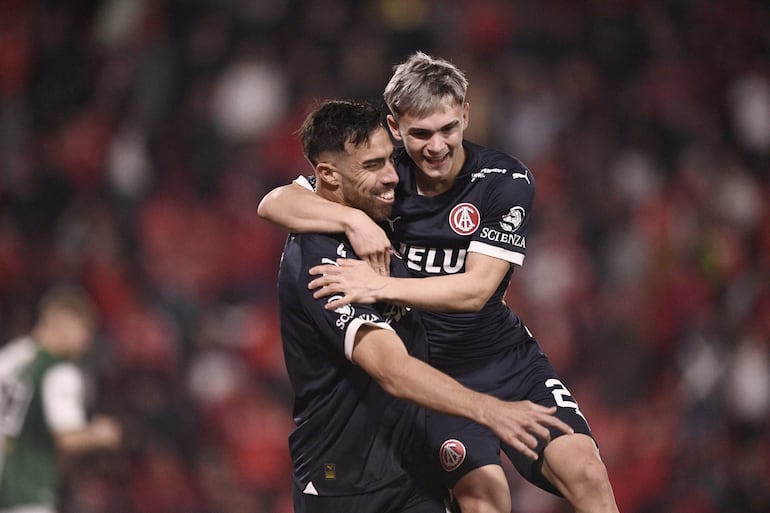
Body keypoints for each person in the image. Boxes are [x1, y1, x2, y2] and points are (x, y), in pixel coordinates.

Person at [258, 52, 620, 513]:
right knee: (487, 500)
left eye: (448, 129)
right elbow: (274, 203)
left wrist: (382, 287)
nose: (436, 146)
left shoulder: (503, 180)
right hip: (433, 370)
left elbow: (475, 291)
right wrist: (352, 222)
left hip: (504, 358)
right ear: (395, 127)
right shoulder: (384, 179)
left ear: (466, 115)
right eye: (421, 134)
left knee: (587, 472)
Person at [0, 283, 122, 513]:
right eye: (83, 329)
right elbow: (67, 438)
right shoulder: (59, 371)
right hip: (27, 492)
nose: (86, 340)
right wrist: (100, 434)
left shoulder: (10, 356)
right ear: (62, 322)